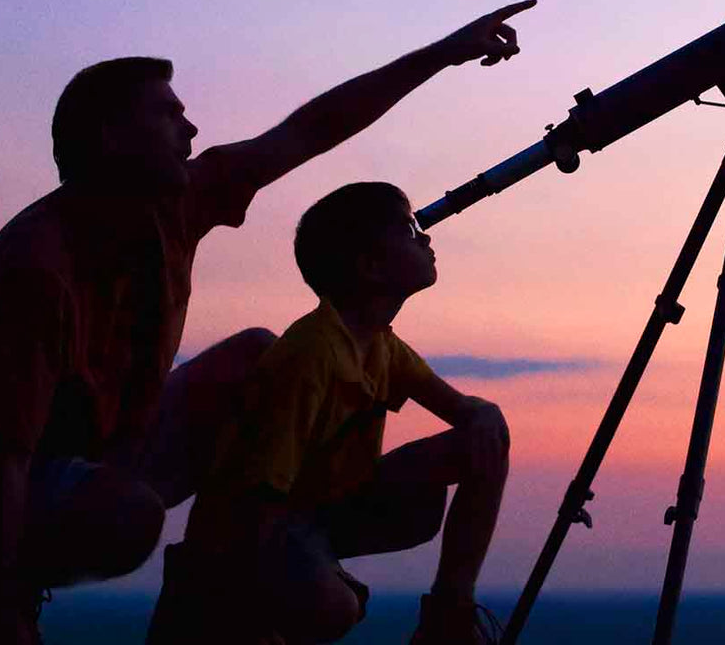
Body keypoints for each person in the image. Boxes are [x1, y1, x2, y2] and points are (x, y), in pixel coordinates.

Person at [0, 0, 536, 645]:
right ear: (110, 137)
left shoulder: (177, 205)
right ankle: (17, 586)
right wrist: (2, 590)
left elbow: (312, 128)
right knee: (126, 516)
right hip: (7, 484)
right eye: (169, 115)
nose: (191, 131)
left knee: (254, 357)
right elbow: (1, 450)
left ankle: (222, 570)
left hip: (111, 448)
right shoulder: (33, 266)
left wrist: (441, 54)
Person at [148, 182, 509, 645]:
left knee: (488, 435)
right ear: (371, 268)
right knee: (332, 607)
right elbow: (258, 498)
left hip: (323, 506)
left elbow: (466, 413)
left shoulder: (381, 345)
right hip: (252, 527)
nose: (426, 237)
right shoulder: (312, 354)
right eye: (409, 229)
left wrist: (484, 415)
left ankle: (449, 615)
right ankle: (246, 615)